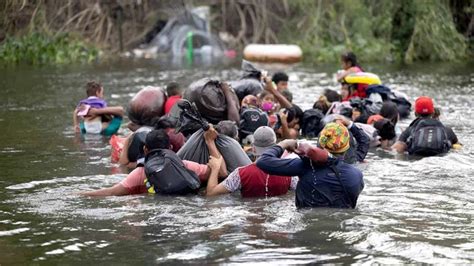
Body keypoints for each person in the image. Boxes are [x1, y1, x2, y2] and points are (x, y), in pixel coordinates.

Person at [80, 128, 226, 196]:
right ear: (170, 148)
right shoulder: (186, 165)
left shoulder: (139, 173)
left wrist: (81, 194)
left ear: (145, 150)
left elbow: (111, 192)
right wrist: (210, 142)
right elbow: (221, 172)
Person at [256, 122, 364, 209]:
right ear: (346, 149)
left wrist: (284, 143)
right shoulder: (356, 176)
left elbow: (263, 161)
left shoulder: (305, 167)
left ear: (319, 144)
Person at [205, 126, 298, 197]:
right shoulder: (289, 174)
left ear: (253, 149)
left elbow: (211, 194)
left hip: (250, 217)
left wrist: (215, 168)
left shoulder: (240, 173)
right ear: (277, 148)